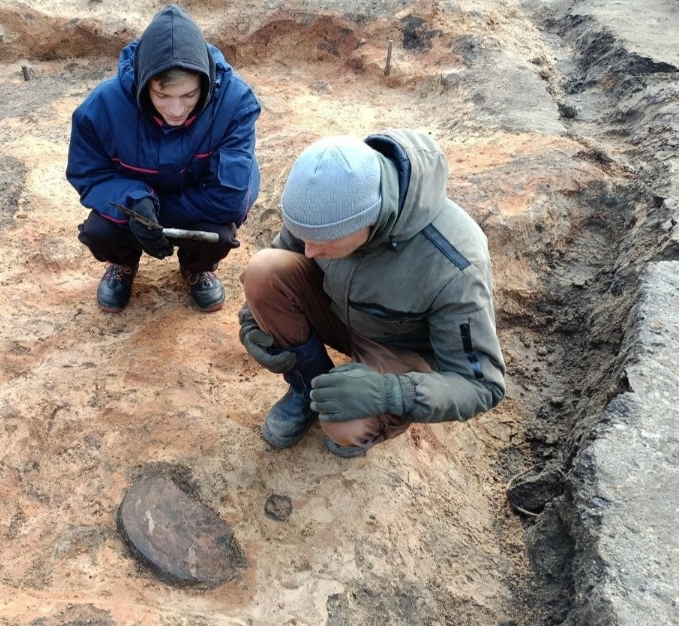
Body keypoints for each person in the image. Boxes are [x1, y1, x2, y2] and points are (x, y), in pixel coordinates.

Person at [238, 131, 506, 458]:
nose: (308, 251)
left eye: (324, 241)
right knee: (263, 270)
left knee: (346, 426)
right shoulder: (328, 204)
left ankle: (359, 411)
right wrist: (253, 319)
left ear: (369, 219)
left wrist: (389, 393)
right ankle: (309, 389)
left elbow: (482, 385)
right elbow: (284, 254)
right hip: (337, 312)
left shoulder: (455, 264)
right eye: (303, 235)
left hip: (397, 348)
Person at [66, 5, 261, 313]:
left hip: (202, 203)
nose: (176, 110)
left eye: (189, 95)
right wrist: (134, 201)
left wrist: (148, 215)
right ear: (144, 83)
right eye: (162, 96)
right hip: (142, 201)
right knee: (99, 233)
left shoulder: (235, 103)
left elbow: (230, 198)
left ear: (205, 82)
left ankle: (197, 266)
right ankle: (123, 264)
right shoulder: (102, 106)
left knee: (219, 235)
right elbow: (89, 175)